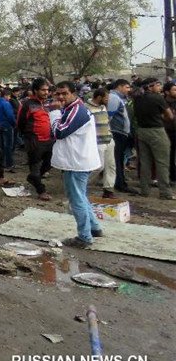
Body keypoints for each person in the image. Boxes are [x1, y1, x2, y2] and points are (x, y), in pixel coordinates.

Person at [51, 81, 103, 248]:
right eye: (58, 93)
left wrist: (53, 113)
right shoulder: (73, 109)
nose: (60, 97)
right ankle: (94, 227)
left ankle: (84, 237)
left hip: (77, 162)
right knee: (81, 196)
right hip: (78, 160)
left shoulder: (76, 110)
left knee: (77, 199)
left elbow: (59, 132)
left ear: (74, 93)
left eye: (64, 93)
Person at [133, 78, 175, 200]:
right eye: (157, 85)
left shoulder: (137, 99)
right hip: (157, 131)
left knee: (145, 162)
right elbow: (170, 116)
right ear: (150, 87)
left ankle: (144, 190)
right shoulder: (157, 98)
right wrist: (161, 116)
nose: (160, 87)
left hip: (141, 131)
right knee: (162, 162)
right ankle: (165, 192)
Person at [17, 77, 55, 201]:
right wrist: (28, 136)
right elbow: (20, 122)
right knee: (35, 166)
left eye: (47, 90)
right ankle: (41, 190)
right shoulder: (27, 104)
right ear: (35, 90)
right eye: (43, 90)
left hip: (48, 140)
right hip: (34, 140)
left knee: (50, 163)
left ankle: (34, 178)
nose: (46, 92)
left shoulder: (46, 103)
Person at [85, 88, 116, 199]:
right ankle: (82, 183)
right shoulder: (86, 108)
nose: (108, 99)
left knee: (110, 166)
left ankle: (108, 189)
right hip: (97, 142)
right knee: (99, 167)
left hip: (108, 140)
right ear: (99, 97)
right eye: (106, 97)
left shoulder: (103, 107)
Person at [107, 79, 133, 194]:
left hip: (120, 133)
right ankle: (119, 183)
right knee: (117, 160)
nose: (129, 90)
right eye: (127, 87)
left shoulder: (119, 98)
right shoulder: (113, 98)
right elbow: (109, 117)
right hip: (116, 133)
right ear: (120, 86)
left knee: (119, 159)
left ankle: (120, 182)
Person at [0, 88, 17, 172]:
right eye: (9, 96)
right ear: (5, 96)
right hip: (7, 125)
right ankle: (9, 164)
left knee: (1, 146)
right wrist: (14, 124)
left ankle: (2, 163)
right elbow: (10, 115)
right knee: (8, 146)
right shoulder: (6, 103)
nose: (10, 98)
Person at [164, 81, 176, 181]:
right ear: (167, 92)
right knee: (169, 155)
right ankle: (172, 174)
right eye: (174, 90)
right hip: (167, 132)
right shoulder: (162, 102)